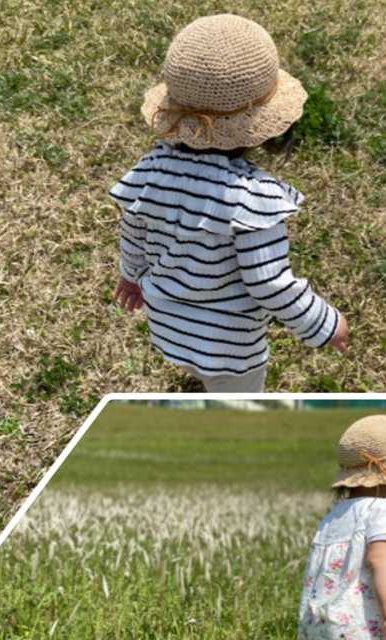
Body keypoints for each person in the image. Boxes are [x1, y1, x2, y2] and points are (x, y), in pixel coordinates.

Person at [109, 14, 348, 392]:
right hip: (230, 350)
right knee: (238, 405)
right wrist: (325, 325)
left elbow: (133, 231)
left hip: (168, 327)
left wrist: (129, 274)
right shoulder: (255, 200)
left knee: (200, 371)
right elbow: (268, 283)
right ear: (263, 127)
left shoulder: (149, 169)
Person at [298, 415, 386, 640]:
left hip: (316, 624)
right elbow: (378, 561)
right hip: (358, 627)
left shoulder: (334, 515)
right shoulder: (384, 509)